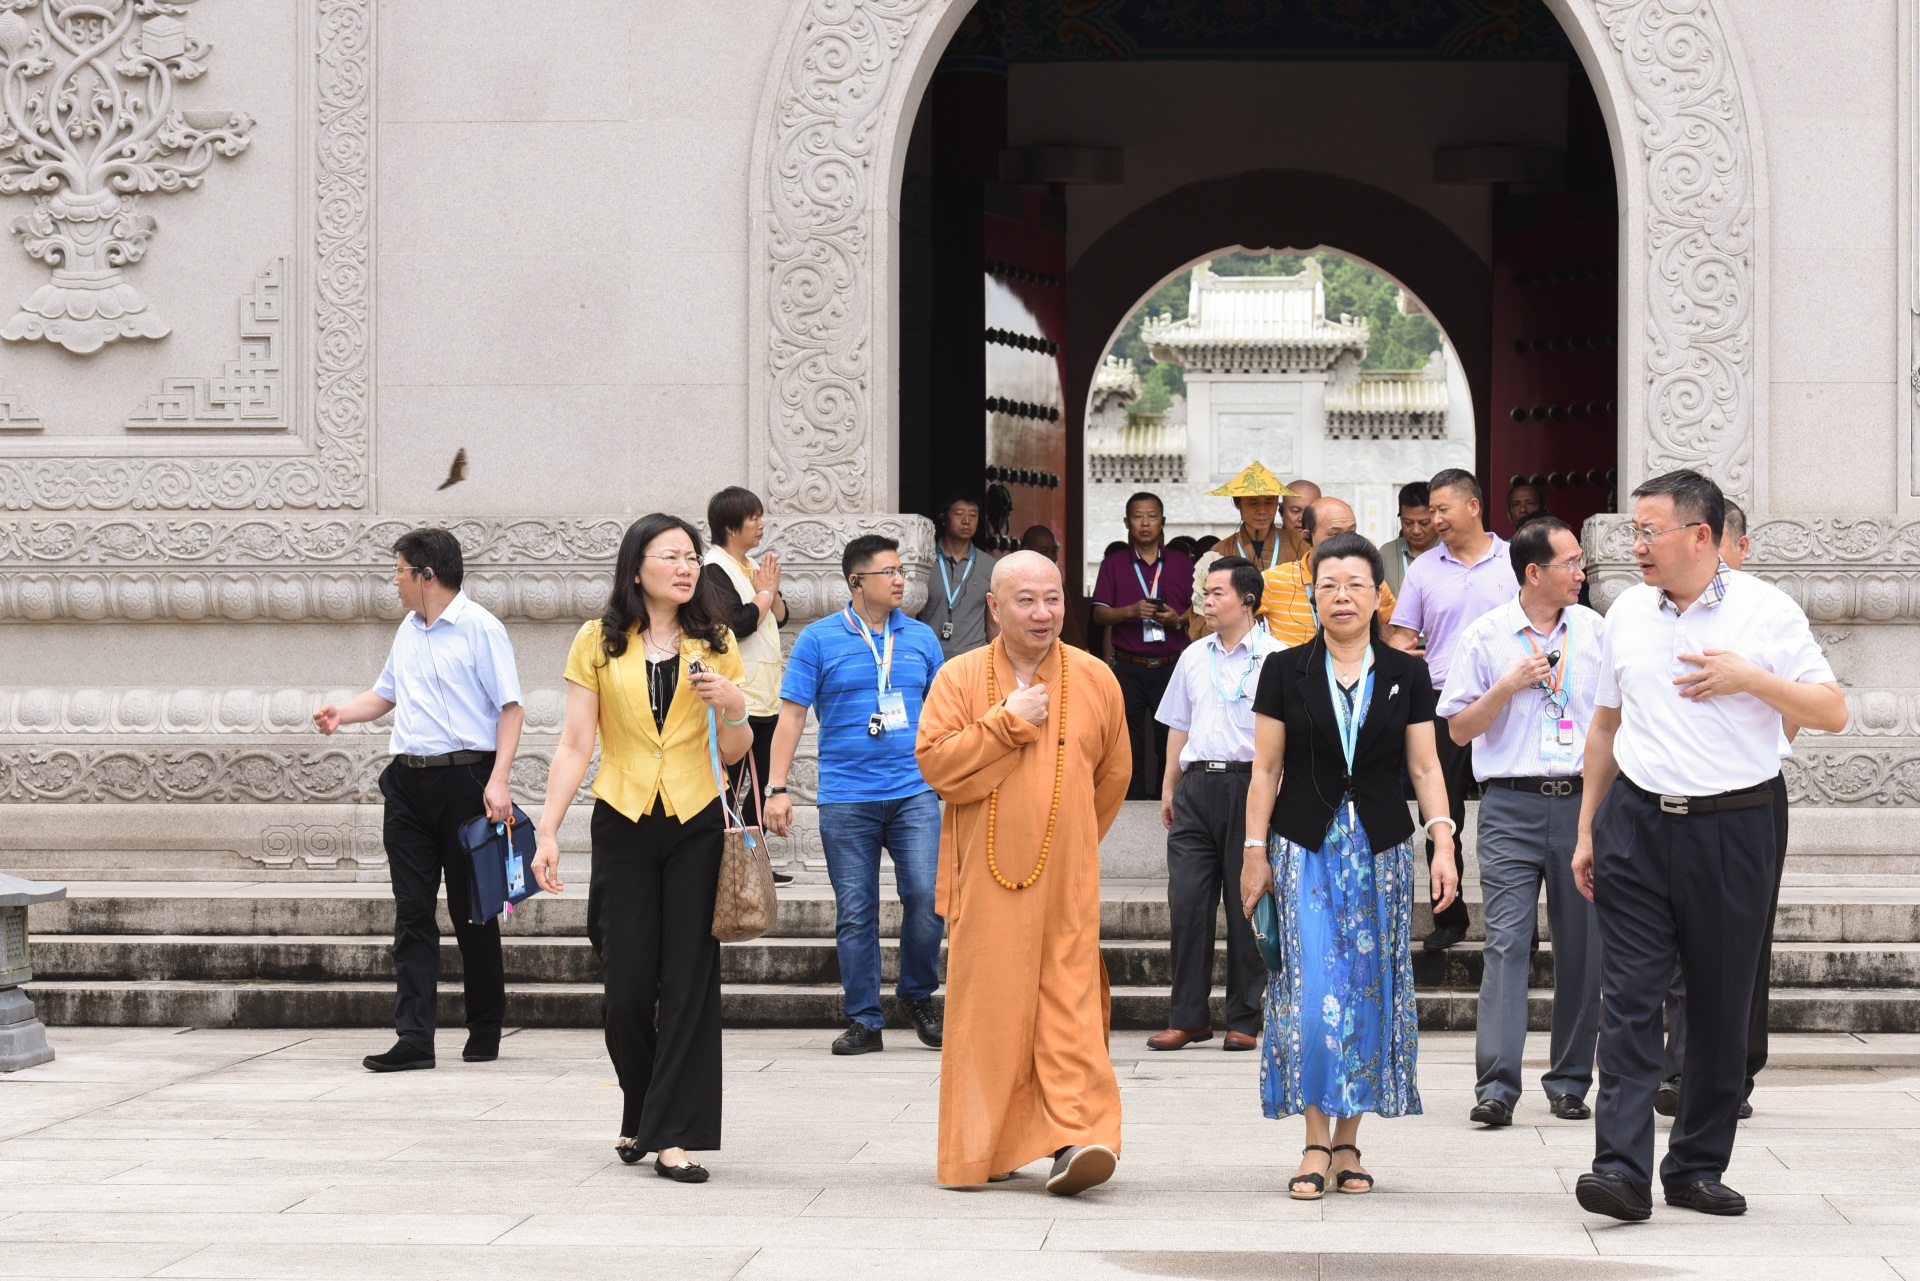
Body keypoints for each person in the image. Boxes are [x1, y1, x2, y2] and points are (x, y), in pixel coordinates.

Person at [1570, 471, 1844, 1222]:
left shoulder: (1767, 612)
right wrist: (1590, 826)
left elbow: (1833, 709)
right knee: (1626, 1000)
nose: (1637, 545)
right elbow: (1603, 726)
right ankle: (1619, 1169)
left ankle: (1694, 1165)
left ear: (1700, 534)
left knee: (1721, 1007)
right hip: (1636, 823)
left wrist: (1750, 677)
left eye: (1649, 531)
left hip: (1734, 826)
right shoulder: (1625, 610)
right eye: (1634, 531)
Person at [529, 514, 753, 1185]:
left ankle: (672, 1135)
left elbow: (738, 752)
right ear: (637, 568)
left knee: (687, 981)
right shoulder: (596, 643)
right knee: (626, 985)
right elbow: (575, 744)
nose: (686, 567)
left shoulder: (715, 643)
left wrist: (733, 703)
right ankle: (641, 1103)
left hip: (696, 819)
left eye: (691, 557)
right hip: (623, 817)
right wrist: (546, 829)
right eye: (671, 556)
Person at [1241, 532, 1459, 1200]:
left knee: (1369, 988)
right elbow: (1266, 767)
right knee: (1308, 995)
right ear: (1312, 594)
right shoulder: (1284, 669)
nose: (1342, 596)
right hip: (1303, 845)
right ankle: (1313, 1137)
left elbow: (1424, 765)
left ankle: (1348, 1141)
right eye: (1329, 584)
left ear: (1377, 596)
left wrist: (1443, 840)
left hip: (1381, 852)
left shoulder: (1405, 673)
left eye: (1355, 584)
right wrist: (1253, 851)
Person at [915, 551, 1131, 1194]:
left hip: (1066, 875)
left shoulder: (1096, 677)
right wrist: (1008, 724)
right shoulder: (958, 678)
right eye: (1027, 600)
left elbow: (1112, 776)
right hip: (988, 878)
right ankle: (988, 1146)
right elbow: (938, 766)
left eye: (1054, 599)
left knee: (1071, 1009)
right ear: (995, 606)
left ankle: (1076, 1138)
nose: (1043, 613)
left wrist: (1068, 835)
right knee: (991, 1013)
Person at [315, 528, 524, 1074]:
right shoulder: (408, 630)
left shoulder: (482, 629)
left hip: (467, 782)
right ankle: (414, 1037)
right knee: (411, 912)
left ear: (426, 575)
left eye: (401, 571)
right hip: (407, 784)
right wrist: (343, 711)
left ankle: (484, 1025)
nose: (395, 581)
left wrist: (497, 780)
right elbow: (385, 693)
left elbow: (510, 709)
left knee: (472, 911)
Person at [1438, 515, 1603, 1127]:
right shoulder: (1486, 637)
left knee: (1583, 948)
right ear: (1534, 573)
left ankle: (1568, 1082)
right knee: (1507, 943)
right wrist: (1506, 687)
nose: (1581, 573)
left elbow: (1614, 722)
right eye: (1571, 564)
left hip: (1584, 804)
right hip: (1508, 804)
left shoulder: (1595, 632)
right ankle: (1497, 1087)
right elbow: (1457, 729)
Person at [763, 536, 946, 1055]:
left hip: (914, 792)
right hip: (846, 797)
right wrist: (777, 788)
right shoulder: (819, 640)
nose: (898, 580)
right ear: (855, 582)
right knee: (856, 910)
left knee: (926, 899)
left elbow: (943, 714)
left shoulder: (922, 639)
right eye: (886, 572)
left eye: (900, 571)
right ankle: (865, 1019)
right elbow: (792, 715)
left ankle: (917, 997)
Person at [1656, 500, 1792, 1121]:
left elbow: (1815, 704)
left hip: (1750, 795)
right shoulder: (1648, 610)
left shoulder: (1763, 610)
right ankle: (1680, 1068)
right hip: (1665, 799)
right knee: (1677, 944)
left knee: (1745, 939)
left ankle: (1735, 1070)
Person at [1148, 556, 1278, 1052]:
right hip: (1196, 787)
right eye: (1206, 591)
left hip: (1251, 788)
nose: (1207, 599)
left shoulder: (1276, 656)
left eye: (1217, 591)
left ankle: (1245, 1017)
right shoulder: (1192, 655)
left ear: (1247, 599)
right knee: (1187, 905)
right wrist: (1168, 786)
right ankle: (1188, 1017)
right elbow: (1178, 724)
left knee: (1247, 904)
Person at [1387, 468, 1513, 951]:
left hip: (1509, 702)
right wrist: (1400, 655)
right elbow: (1400, 637)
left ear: (1473, 506)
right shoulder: (1423, 569)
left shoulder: (1514, 560)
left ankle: (1515, 931)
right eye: (1430, 511)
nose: (1433, 519)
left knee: (1511, 813)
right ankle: (1450, 917)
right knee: (1442, 815)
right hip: (1442, 705)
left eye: (1442, 509)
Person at [701, 486, 794, 885]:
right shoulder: (713, 568)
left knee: (760, 784)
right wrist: (764, 592)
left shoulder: (750, 564)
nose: (761, 524)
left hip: (767, 694)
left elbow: (781, 615)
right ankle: (735, 866)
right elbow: (736, 623)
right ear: (729, 525)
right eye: (753, 517)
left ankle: (753, 863)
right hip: (742, 699)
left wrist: (770, 592)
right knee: (736, 784)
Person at [1091, 492, 1193, 798]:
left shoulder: (1181, 563)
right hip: (1128, 664)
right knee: (1128, 741)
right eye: (1138, 516)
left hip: (1171, 665)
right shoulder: (1113, 563)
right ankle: (1131, 804)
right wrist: (1130, 612)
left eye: (1152, 516)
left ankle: (1169, 800)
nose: (1145, 523)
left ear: (1163, 521)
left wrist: (1177, 619)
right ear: (1126, 522)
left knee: (1170, 738)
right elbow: (1098, 614)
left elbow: (1200, 609)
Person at [1260, 496, 1399, 647]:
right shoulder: (1273, 580)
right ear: (1307, 536)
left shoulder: (1368, 580)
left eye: (1351, 532)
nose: (1344, 541)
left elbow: (1397, 625)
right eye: (1334, 535)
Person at [1189, 464, 1301, 640]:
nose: (1262, 510)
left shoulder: (1299, 546)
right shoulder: (1217, 553)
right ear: (1237, 503)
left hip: (1288, 644)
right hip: (1234, 644)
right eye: (1253, 503)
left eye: (1269, 502)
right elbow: (1200, 615)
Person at [918, 493, 996, 659]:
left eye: (973, 515)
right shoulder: (923, 561)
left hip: (975, 660)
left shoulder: (990, 566)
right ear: (943, 518)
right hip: (930, 658)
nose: (967, 521)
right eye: (959, 514)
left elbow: (993, 625)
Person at [1379, 481, 1438, 596]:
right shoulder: (1386, 553)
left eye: (1424, 523)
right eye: (1408, 522)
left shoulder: (1452, 550)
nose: (1416, 530)